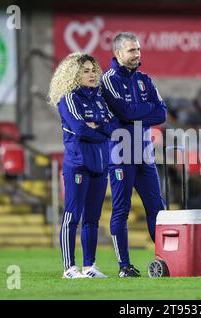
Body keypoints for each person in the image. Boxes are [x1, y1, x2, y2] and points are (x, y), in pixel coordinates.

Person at [101, 32, 167, 277]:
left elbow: (162, 114)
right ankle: (124, 266)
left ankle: (166, 259)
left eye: (138, 50)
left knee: (157, 209)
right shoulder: (108, 80)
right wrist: (143, 110)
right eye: (131, 50)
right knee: (121, 210)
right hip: (120, 153)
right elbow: (123, 110)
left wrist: (135, 112)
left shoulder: (145, 80)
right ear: (118, 54)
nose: (137, 54)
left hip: (145, 154)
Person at [48, 53, 117, 279]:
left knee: (92, 220)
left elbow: (112, 126)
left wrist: (96, 127)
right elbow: (80, 129)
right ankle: (69, 268)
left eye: (93, 70)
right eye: (85, 70)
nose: (91, 74)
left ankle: (89, 267)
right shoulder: (68, 100)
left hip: (100, 166)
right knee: (72, 216)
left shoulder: (99, 99)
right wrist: (99, 128)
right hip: (77, 165)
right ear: (74, 74)